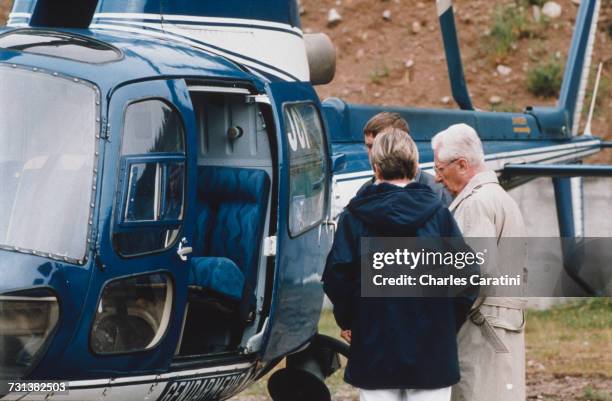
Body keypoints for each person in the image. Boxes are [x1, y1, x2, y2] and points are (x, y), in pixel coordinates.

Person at [323, 128, 477, 401]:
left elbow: (337, 276)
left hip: (374, 345)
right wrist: (445, 322)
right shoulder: (439, 215)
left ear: (375, 168)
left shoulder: (354, 218)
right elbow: (466, 278)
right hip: (433, 349)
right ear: (416, 166)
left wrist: (351, 320)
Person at [431, 123, 527, 401]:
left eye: (439, 168)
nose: (437, 178)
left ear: (461, 164)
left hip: (479, 331)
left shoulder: (475, 203)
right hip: (502, 325)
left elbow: (472, 275)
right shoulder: (501, 199)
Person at [360, 112, 452, 206]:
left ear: (404, 144)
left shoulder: (437, 192)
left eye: (381, 147)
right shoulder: (364, 193)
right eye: (369, 146)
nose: (373, 154)